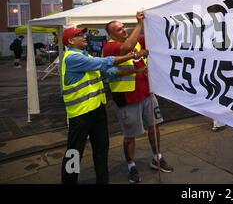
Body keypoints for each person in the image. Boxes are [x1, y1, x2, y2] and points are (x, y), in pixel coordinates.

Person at [61, 26, 148, 184]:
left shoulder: (85, 56)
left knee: (101, 148)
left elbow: (109, 72)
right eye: (79, 35)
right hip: (80, 115)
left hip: (97, 110)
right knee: (74, 151)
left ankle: (103, 180)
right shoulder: (72, 57)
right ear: (71, 41)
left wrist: (136, 71)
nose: (84, 36)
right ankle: (68, 181)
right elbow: (104, 62)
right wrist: (134, 55)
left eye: (83, 34)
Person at [103, 11, 173, 184]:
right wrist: (139, 23)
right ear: (111, 35)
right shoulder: (110, 47)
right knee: (130, 135)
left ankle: (157, 157)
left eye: (123, 27)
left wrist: (153, 19)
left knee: (154, 127)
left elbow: (154, 37)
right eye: (119, 30)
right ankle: (131, 165)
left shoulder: (137, 42)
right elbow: (126, 48)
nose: (124, 30)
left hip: (148, 93)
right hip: (127, 99)